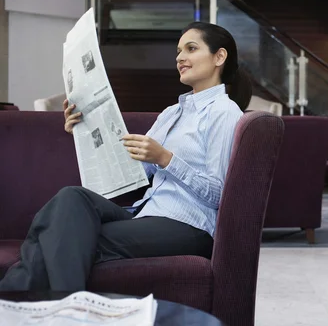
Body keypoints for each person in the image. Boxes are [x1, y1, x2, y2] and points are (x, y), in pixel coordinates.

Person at [0, 22, 252, 292]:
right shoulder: (171, 113)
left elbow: (220, 194)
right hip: (146, 214)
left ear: (219, 57)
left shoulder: (224, 113)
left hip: (189, 226)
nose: (180, 57)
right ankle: (66, 307)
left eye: (191, 49)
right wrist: (85, 129)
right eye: (178, 51)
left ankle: (38, 304)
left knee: (62, 236)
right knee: (71, 198)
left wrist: (167, 159)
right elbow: (135, 172)